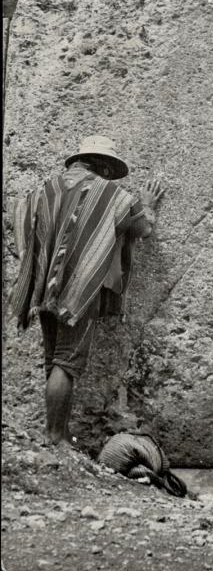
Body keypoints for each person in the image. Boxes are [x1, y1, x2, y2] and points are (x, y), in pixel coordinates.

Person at [8, 135, 164, 448]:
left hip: (44, 285)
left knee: (54, 358)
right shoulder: (112, 195)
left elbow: (17, 217)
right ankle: (55, 436)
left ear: (78, 161)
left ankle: (56, 433)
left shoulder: (42, 191)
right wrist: (146, 205)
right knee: (67, 361)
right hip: (81, 287)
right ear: (104, 166)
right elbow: (142, 229)